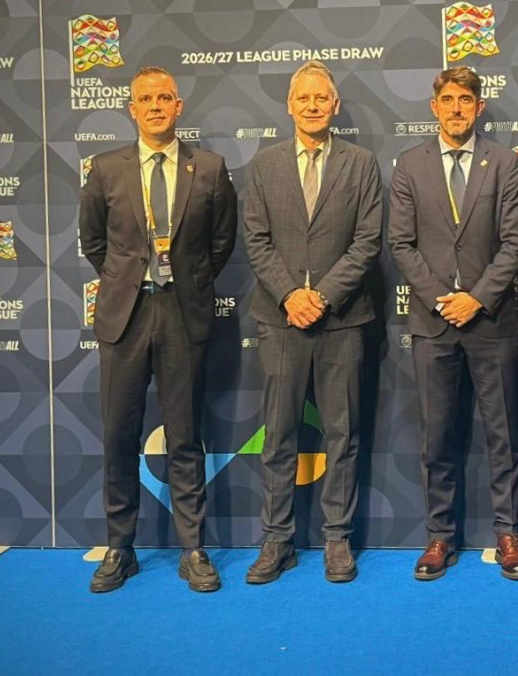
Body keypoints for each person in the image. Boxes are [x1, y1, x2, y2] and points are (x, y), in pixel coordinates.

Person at [80, 66, 237, 593]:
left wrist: (185, 281)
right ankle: (119, 548)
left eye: (164, 98)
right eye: (145, 99)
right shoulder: (106, 169)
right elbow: (94, 243)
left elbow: (221, 244)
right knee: (118, 436)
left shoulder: (209, 168)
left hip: (182, 313)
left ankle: (193, 549)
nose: (154, 107)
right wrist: (129, 280)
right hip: (125, 315)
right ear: (132, 109)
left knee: (184, 435)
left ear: (178, 106)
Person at [388, 66, 518, 581]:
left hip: (491, 321)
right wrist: (441, 299)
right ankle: (440, 535)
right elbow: (400, 243)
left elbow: (516, 242)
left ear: (479, 106)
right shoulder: (410, 164)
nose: (455, 108)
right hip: (433, 323)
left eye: (465, 100)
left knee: (504, 434)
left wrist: (477, 299)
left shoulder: (504, 162)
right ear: (434, 107)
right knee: (437, 436)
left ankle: (509, 533)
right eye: (447, 99)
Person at [242, 60, 382, 585]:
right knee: (278, 435)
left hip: (341, 320)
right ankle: (276, 540)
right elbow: (256, 239)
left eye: (321, 98)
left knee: (342, 434)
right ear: (289, 105)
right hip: (280, 321)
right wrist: (290, 296)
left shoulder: (361, 163)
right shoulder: (265, 164)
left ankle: (337, 538)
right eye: (303, 98)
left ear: (335, 105)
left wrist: (321, 296)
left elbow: (368, 240)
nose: (312, 106)